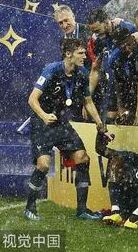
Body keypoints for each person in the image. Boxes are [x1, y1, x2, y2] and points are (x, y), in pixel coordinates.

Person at [24, 39, 108, 221]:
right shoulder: (51, 70)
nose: (84, 57)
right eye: (80, 53)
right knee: (43, 165)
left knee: (82, 158)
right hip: (42, 123)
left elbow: (88, 101)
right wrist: (44, 116)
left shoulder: (82, 73)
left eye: (84, 53)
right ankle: (30, 207)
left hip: (61, 122)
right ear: (69, 54)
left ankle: (82, 210)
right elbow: (32, 99)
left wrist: (100, 124)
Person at [108, 27, 138, 124]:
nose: (127, 49)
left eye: (129, 44)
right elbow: (118, 85)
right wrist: (121, 108)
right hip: (128, 90)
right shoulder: (115, 59)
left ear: (132, 38)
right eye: (123, 47)